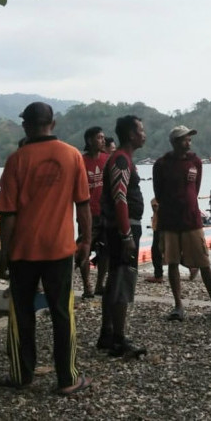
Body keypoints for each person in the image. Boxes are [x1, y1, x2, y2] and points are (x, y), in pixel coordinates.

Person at [0, 102, 92, 395]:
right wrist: (85, 240)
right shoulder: (73, 155)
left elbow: (8, 214)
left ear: (26, 125)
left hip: (23, 251)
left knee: (21, 314)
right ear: (53, 122)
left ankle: (22, 374)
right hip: (60, 250)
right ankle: (67, 379)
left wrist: (3, 253)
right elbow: (83, 205)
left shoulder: (16, 160)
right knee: (63, 313)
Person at [152, 125, 211, 323]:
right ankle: (178, 305)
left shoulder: (196, 162)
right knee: (172, 262)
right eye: (184, 139)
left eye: (189, 139)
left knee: (204, 262)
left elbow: (194, 190)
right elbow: (159, 192)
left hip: (192, 220)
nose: (188, 143)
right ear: (174, 142)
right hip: (170, 222)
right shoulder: (162, 164)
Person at [97, 115, 147, 358]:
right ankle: (118, 338)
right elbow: (120, 197)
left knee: (116, 278)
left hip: (121, 228)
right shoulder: (121, 160)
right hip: (123, 230)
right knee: (122, 280)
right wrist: (126, 234)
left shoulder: (123, 159)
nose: (143, 134)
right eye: (141, 130)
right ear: (130, 134)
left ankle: (107, 333)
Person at [80, 126, 109, 297]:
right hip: (87, 214)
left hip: (105, 214)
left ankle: (100, 284)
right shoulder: (80, 161)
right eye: (99, 137)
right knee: (85, 249)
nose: (103, 140)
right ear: (90, 140)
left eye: (103, 137)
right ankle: (86, 286)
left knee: (105, 251)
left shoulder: (107, 159)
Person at [145, 197, 164, 283]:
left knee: (156, 250)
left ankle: (158, 275)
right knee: (167, 249)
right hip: (164, 225)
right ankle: (191, 266)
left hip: (160, 226)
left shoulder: (159, 197)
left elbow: (156, 207)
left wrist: (153, 203)